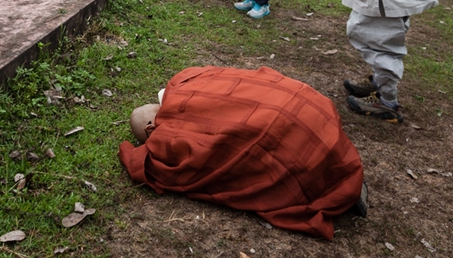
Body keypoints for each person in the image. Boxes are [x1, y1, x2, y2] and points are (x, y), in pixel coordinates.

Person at [118, 65, 367, 241]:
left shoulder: (169, 140)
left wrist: (137, 153)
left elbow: (159, 168)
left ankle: (336, 180)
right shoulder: (186, 79)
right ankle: (338, 167)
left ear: (152, 128)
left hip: (291, 131)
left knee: (275, 145)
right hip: (310, 103)